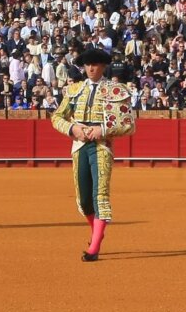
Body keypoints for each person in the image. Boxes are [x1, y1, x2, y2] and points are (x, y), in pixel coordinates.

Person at [50, 47, 136, 262]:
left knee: (101, 196)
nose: (90, 68)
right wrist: (73, 129)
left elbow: (128, 124)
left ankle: (94, 247)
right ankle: (98, 230)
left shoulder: (116, 90)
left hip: (101, 146)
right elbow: (57, 116)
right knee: (85, 200)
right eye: (87, 64)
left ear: (103, 66)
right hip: (79, 145)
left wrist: (102, 130)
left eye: (95, 64)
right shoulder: (75, 90)